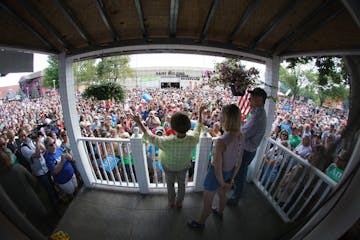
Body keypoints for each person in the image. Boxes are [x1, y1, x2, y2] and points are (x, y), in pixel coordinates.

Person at [132, 105, 205, 208]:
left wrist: (139, 122)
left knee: (170, 185)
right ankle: (179, 203)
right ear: (188, 126)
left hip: (168, 167)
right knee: (182, 185)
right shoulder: (193, 139)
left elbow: (149, 136)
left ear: (173, 127)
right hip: (183, 166)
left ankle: (171, 202)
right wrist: (200, 112)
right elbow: (198, 127)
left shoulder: (166, 141)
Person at [188, 104, 244, 228]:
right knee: (222, 195)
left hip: (215, 175)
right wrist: (232, 178)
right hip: (229, 172)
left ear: (225, 118)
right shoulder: (240, 135)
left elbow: (218, 167)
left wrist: (222, 182)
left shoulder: (221, 141)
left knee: (207, 203)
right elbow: (239, 160)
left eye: (221, 115)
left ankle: (200, 223)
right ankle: (220, 212)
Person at [227, 87, 267, 206]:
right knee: (240, 172)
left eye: (253, 97)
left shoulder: (257, 117)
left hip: (247, 150)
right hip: (249, 149)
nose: (249, 99)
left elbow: (243, 133)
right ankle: (237, 192)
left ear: (260, 100)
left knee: (240, 173)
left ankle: (236, 198)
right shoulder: (257, 113)